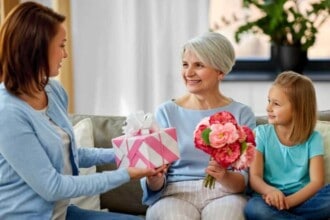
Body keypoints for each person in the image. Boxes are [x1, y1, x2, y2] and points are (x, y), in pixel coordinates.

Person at [0, 2, 165, 220]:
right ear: (37, 49)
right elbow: (52, 186)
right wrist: (126, 173)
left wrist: (131, 151)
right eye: (61, 45)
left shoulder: (53, 90)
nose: (65, 54)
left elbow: (72, 154)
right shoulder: (7, 112)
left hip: (62, 213)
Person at [140, 32, 256, 220]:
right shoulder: (166, 112)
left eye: (199, 65)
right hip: (174, 193)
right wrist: (154, 178)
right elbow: (154, 185)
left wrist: (223, 175)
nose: (189, 73)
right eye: (185, 64)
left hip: (225, 193)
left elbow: (244, 181)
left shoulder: (242, 114)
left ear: (221, 71)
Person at [244, 71, 330, 220]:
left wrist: (289, 202)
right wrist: (270, 191)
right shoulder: (261, 134)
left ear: (298, 109)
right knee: (253, 208)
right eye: (269, 100)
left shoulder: (313, 138)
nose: (268, 108)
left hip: (304, 200)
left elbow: (317, 182)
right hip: (269, 200)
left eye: (276, 103)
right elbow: (255, 177)